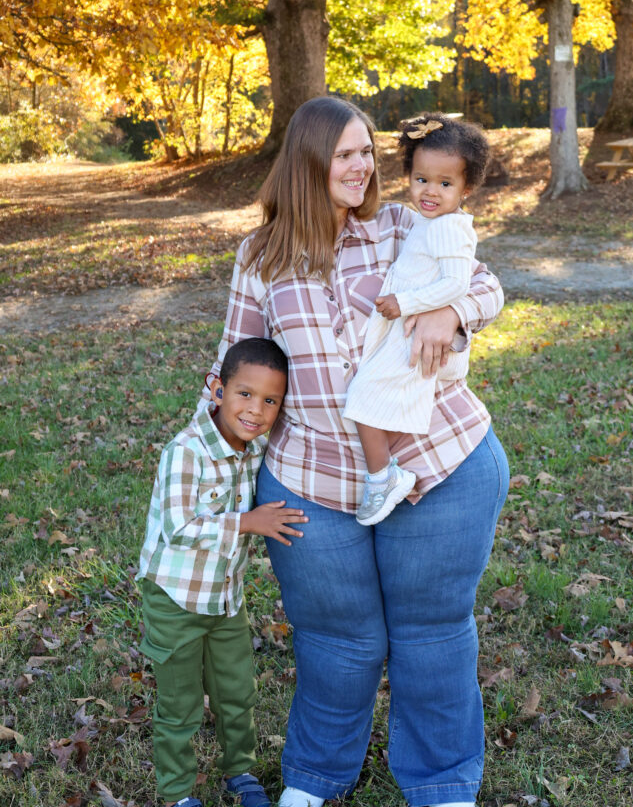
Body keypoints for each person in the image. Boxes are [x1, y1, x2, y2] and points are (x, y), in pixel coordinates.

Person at [200, 97, 509, 807]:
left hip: (438, 463)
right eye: (344, 153)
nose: (362, 165)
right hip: (309, 480)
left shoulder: (404, 224)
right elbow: (234, 365)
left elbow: (485, 284)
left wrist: (448, 311)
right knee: (336, 642)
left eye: (366, 150)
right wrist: (205, 459)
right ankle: (313, 779)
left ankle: (441, 784)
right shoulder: (262, 254)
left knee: (431, 635)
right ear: (308, 161)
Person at [137, 338, 308, 807]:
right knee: (180, 705)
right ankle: (176, 794)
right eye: (245, 394)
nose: (256, 410)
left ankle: (241, 772)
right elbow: (179, 525)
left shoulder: (253, 448)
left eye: (270, 401)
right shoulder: (186, 451)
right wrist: (249, 522)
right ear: (217, 389)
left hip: (225, 600)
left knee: (237, 692)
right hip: (174, 599)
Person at [344, 112, 490, 525]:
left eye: (446, 184)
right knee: (369, 398)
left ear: (467, 187)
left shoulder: (449, 228)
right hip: (405, 333)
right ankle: (383, 474)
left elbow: (456, 285)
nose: (431, 191)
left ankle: (382, 479)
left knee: (363, 400)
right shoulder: (430, 222)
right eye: (421, 179)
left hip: (412, 332)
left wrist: (405, 303)